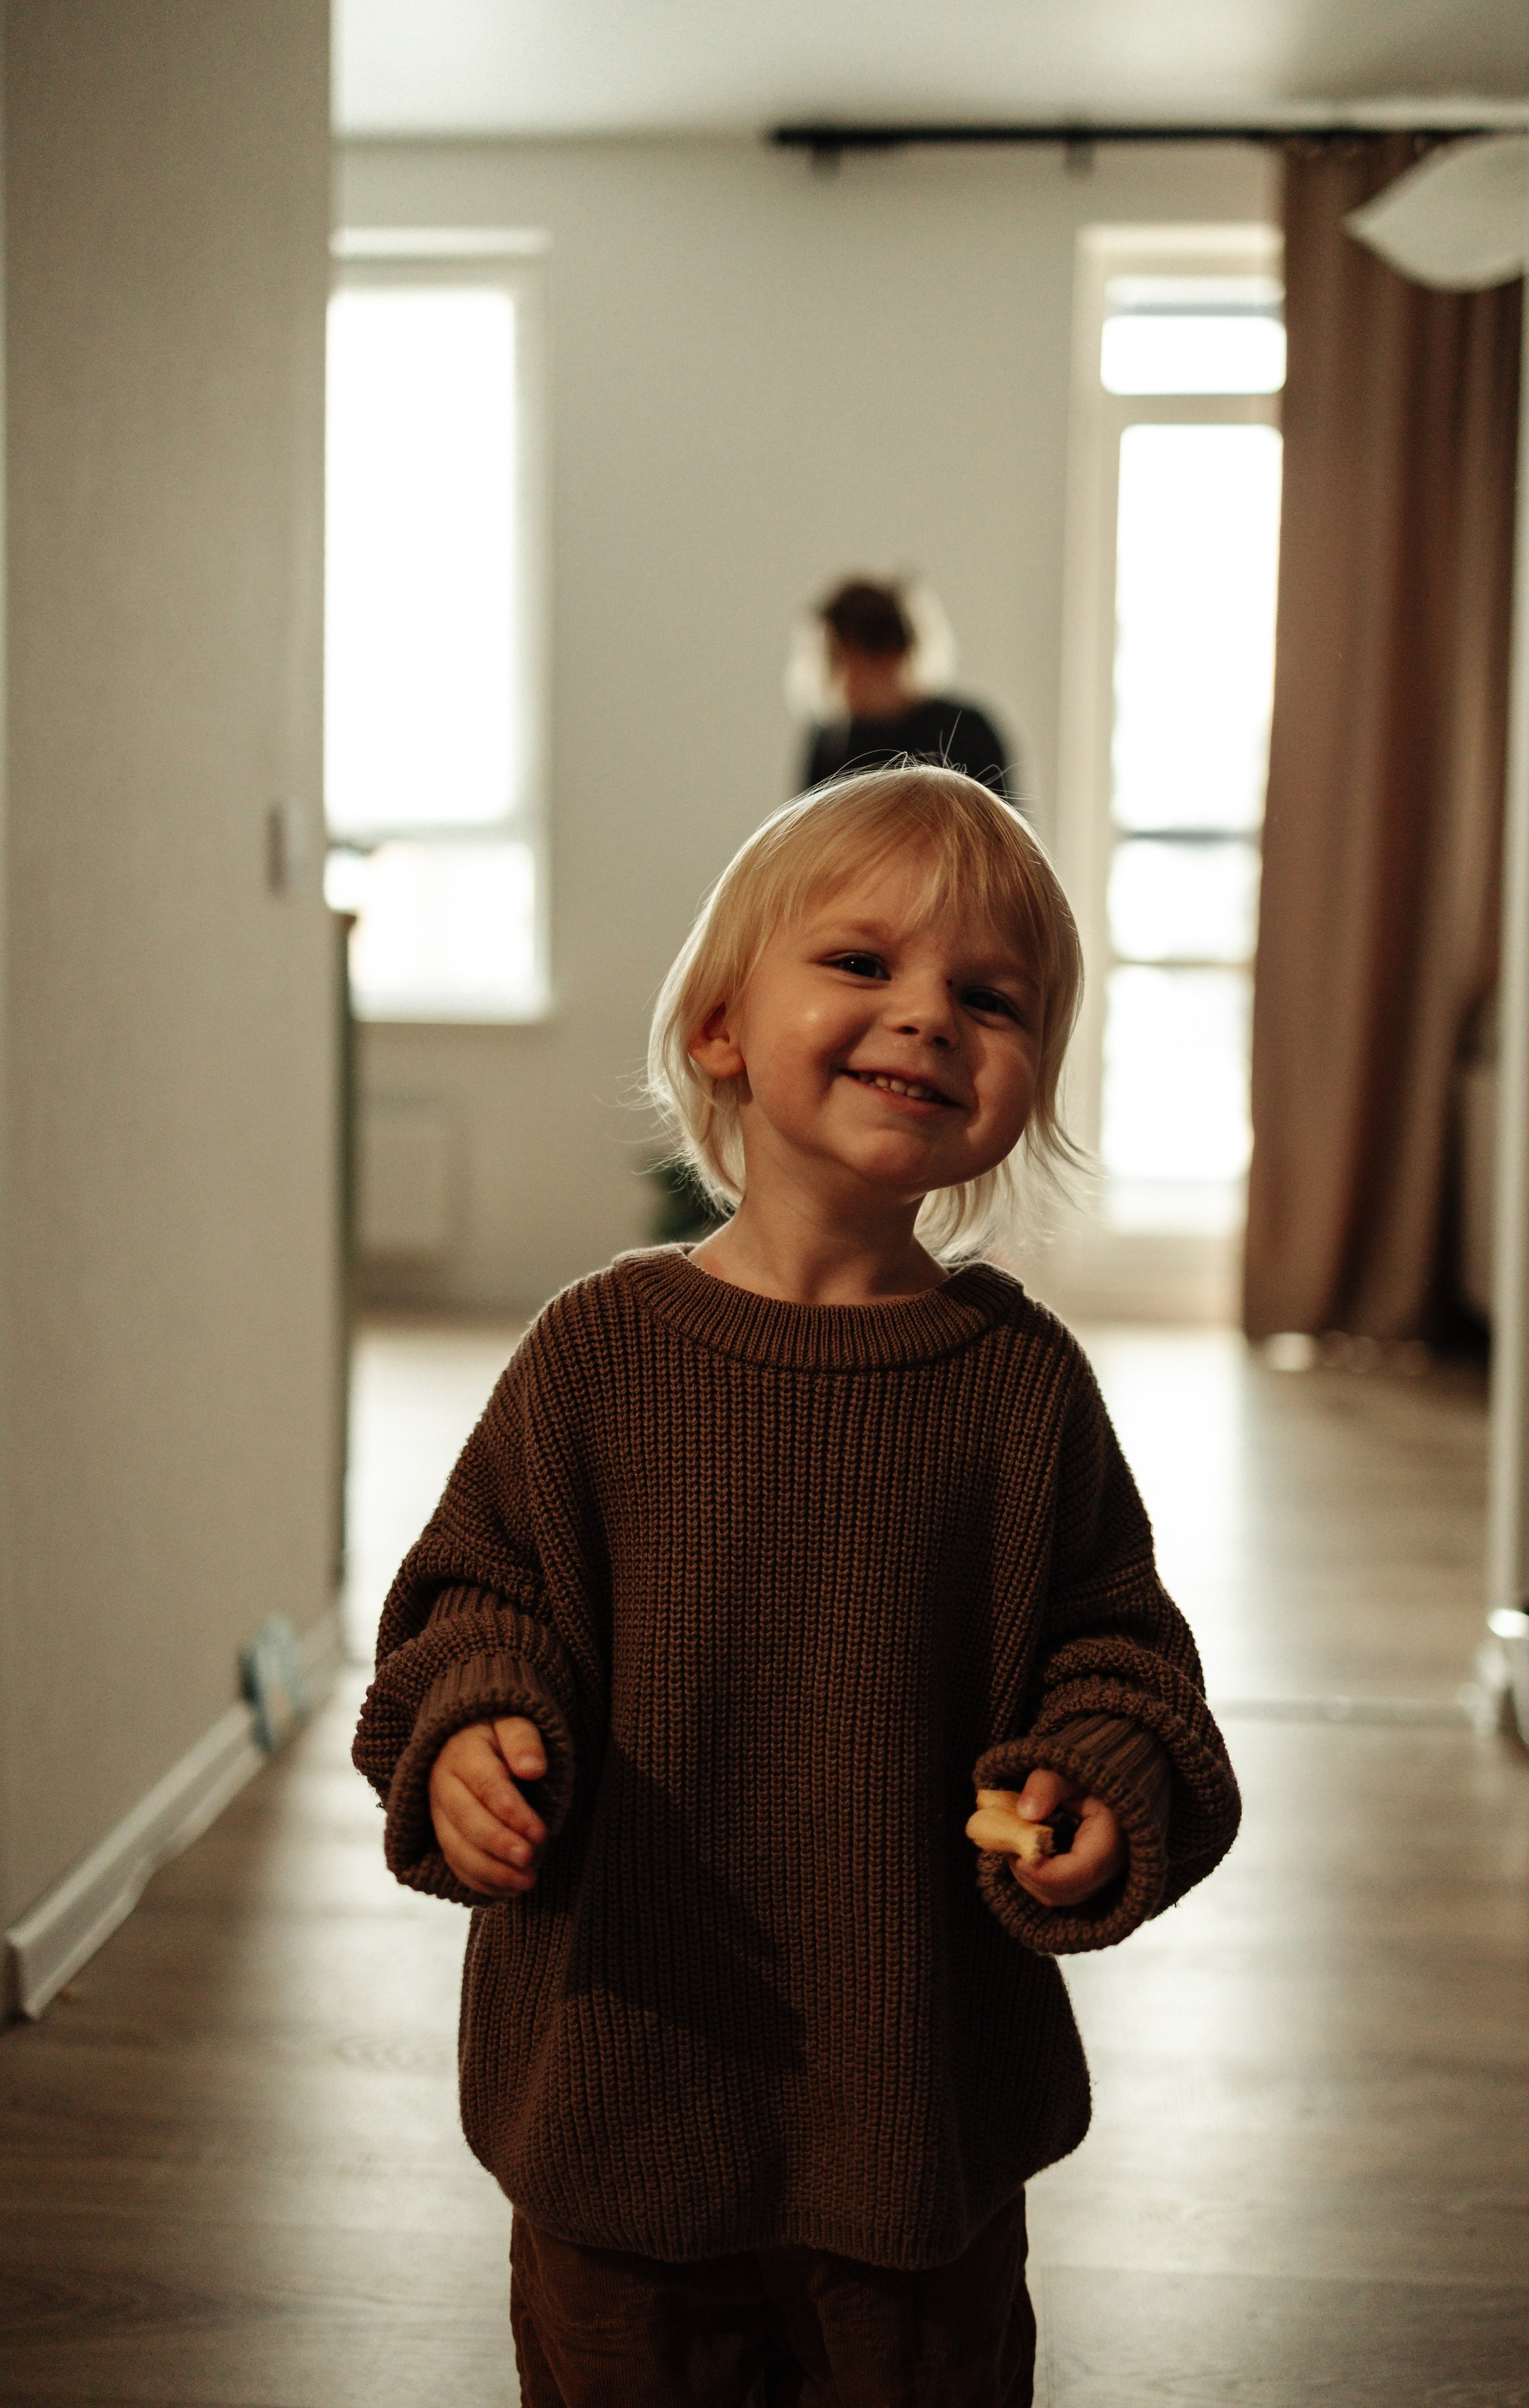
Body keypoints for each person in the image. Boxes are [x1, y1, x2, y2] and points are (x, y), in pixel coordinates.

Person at [352, 764, 1239, 2407]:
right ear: (718, 1030)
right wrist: (473, 1723)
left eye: (988, 995)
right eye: (858, 964)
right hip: (623, 2084)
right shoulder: (597, 1357)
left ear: (1027, 1075)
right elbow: (471, 1603)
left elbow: (1117, 1659)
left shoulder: (1015, 1385)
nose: (924, 1016)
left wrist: (1096, 1775)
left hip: (912, 2118)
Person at [801, 576, 1014, 800]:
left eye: (840, 660)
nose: (835, 678)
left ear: (890, 654)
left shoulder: (965, 730)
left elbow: (999, 828)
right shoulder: (830, 743)